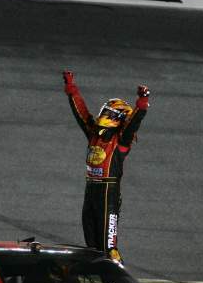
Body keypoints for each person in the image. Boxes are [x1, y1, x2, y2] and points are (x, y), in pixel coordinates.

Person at [62, 71, 150, 261]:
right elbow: (82, 113)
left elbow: (134, 124)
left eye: (109, 113)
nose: (104, 115)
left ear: (118, 118)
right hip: (91, 190)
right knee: (91, 249)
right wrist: (72, 89)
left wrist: (141, 104)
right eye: (105, 111)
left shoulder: (121, 141)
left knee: (109, 249)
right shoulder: (94, 134)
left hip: (108, 194)